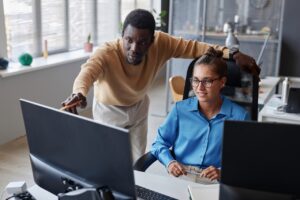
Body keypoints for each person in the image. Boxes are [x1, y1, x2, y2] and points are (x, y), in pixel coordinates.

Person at [62, 9, 259, 162]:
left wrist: (232, 53)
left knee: (137, 159)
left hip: (138, 105)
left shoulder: (162, 43)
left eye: (142, 42)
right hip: (109, 110)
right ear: (122, 35)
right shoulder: (107, 52)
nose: (134, 48)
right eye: (128, 40)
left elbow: (196, 48)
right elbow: (87, 71)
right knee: (110, 160)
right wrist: (79, 92)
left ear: (152, 41)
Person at [151, 48, 249, 182]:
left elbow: (244, 159)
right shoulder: (180, 110)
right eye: (196, 80)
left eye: (207, 81)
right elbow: (159, 143)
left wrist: (222, 172)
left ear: (222, 82)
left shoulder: (240, 116)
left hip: (216, 180)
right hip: (181, 175)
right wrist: (170, 163)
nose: (199, 88)